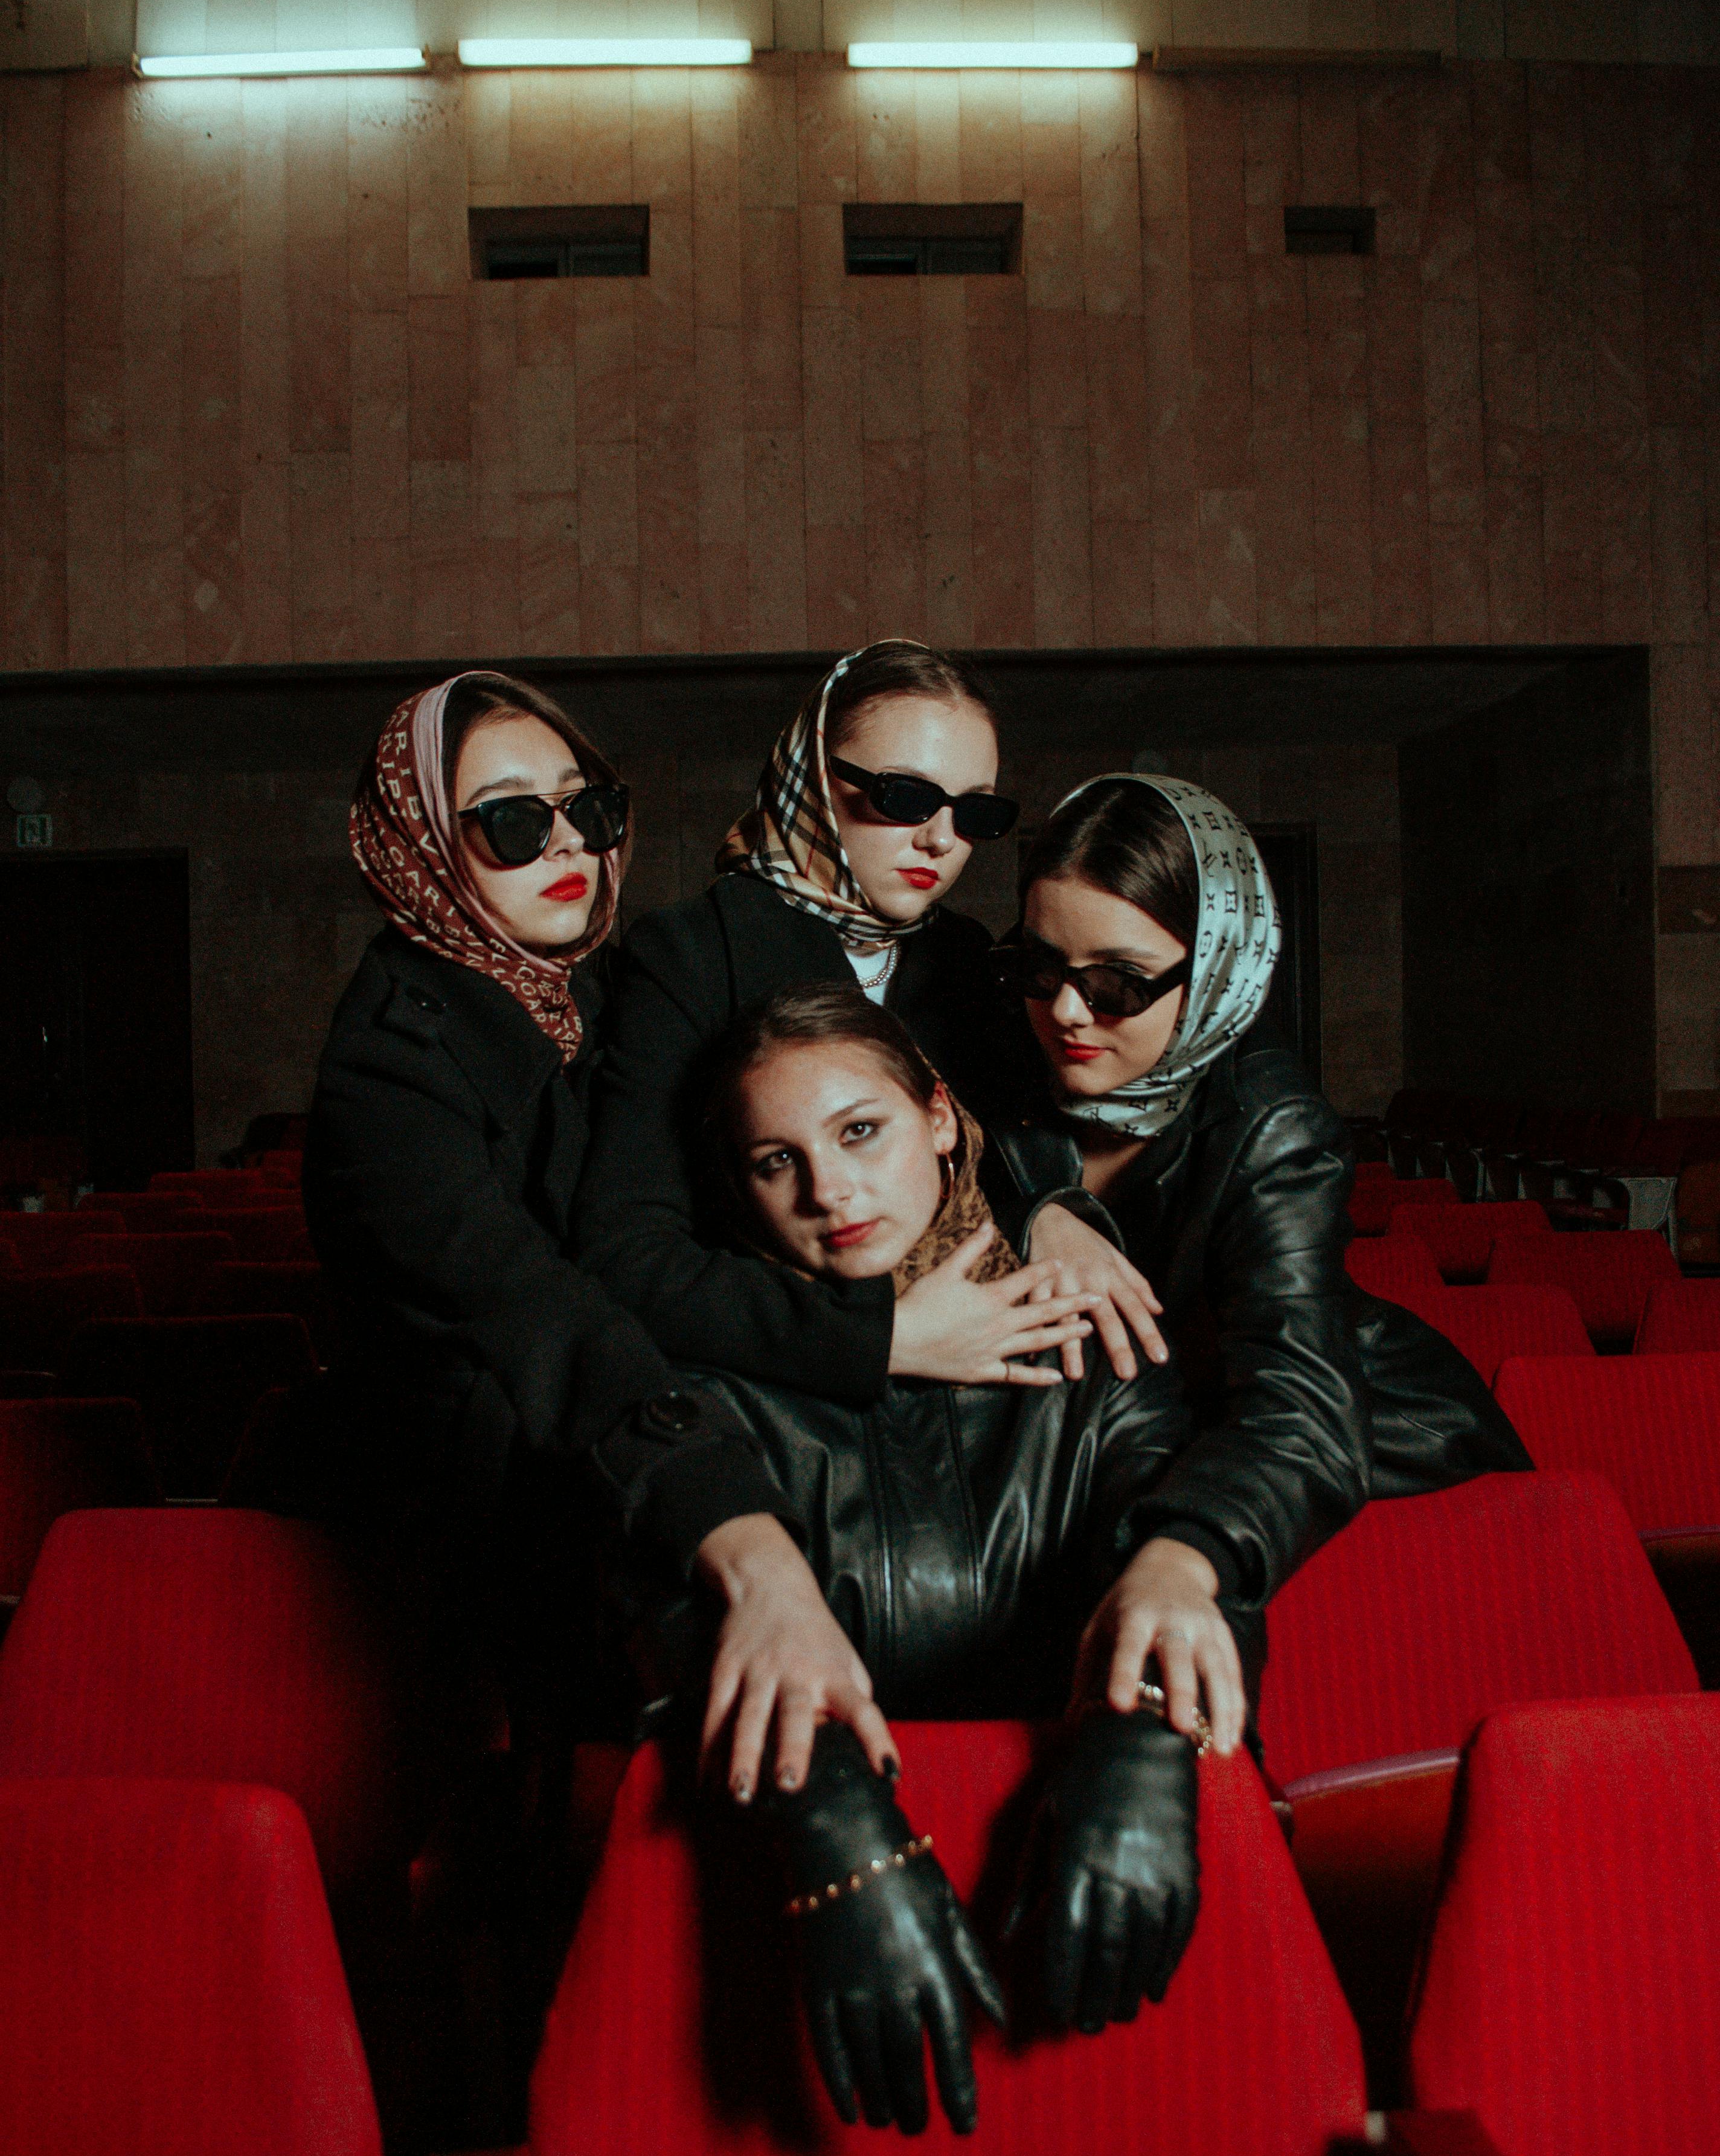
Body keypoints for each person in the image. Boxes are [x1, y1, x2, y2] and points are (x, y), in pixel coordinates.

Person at [626, 982, 1291, 2143]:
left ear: (939, 1117)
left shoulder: (1086, 1338)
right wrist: (829, 1822)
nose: (828, 1191)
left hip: (1087, 1929)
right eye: (775, 1159)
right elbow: (669, 1613)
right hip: (790, 1944)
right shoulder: (708, 1396)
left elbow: (1182, 1536)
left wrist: (1139, 1741)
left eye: (859, 1131)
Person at [303, 670, 785, 1739]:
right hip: (484, 1525)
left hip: (637, 1430)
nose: (569, 842)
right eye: (513, 820)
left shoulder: (616, 991)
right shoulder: (385, 1065)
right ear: (420, 840)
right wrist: (725, 1509)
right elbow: (531, 1311)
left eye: (588, 805)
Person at [982, 772, 1532, 1610]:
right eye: (1039, 964)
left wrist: (1184, 1556)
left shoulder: (1274, 1123)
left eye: (1118, 985)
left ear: (1212, 973)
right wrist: (1042, 1213)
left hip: (1353, 1430)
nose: (1064, 1010)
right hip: (1124, 1430)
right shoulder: (994, 1056)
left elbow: (1299, 1405)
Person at [576, 639, 1102, 1403]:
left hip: (977, 1396)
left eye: (976, 811)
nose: (941, 839)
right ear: (812, 782)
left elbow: (996, 1163)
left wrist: (1052, 1216)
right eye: (904, 798)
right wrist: (877, 1339)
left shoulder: (964, 958)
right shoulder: (690, 953)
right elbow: (624, 1254)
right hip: (775, 1405)